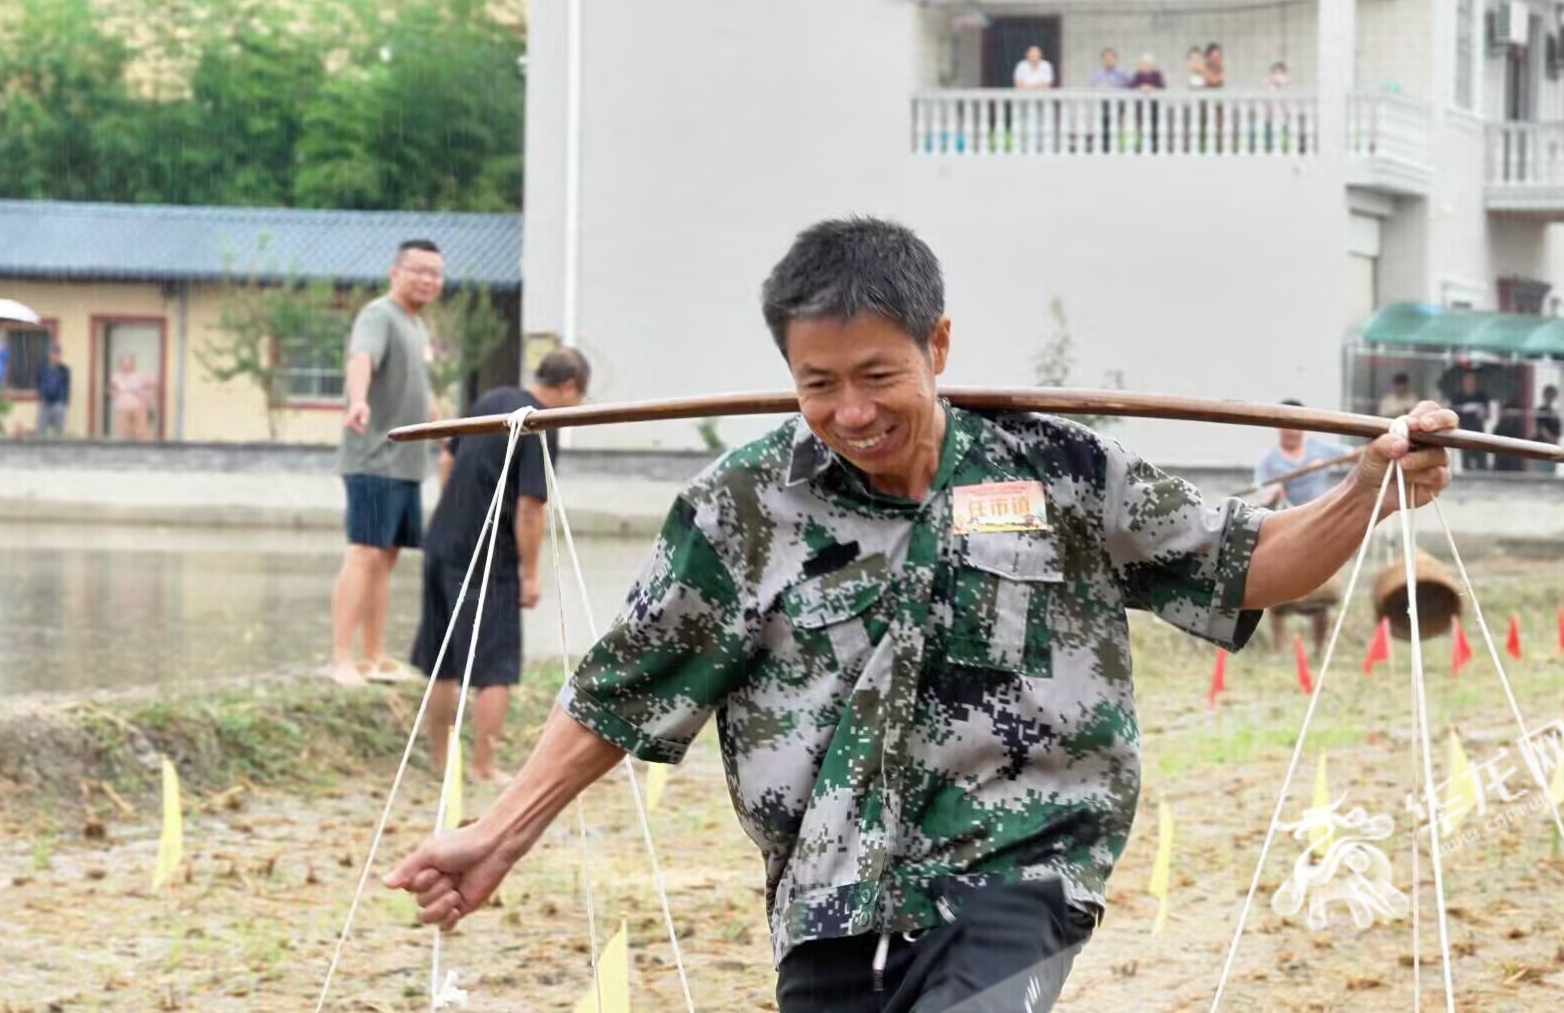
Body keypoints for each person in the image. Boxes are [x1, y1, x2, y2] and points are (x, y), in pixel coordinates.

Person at [384, 217, 1457, 1012]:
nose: (851, 412)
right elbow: (622, 689)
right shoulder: (745, 507)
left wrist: (1368, 489)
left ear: (938, 344)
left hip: (1018, 864)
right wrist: (498, 835)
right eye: (818, 385)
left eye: (878, 375)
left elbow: (1249, 564)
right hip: (829, 892)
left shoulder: (1059, 472)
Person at [414, 348, 590, 783]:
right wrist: (531, 575)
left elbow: (447, 459)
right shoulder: (537, 424)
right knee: (495, 667)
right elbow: (531, 508)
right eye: (580, 398)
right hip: (487, 557)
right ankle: (482, 767)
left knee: (444, 663)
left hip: (441, 541)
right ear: (568, 387)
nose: (577, 409)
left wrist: (456, 513)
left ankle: (441, 762)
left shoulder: (492, 400)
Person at [330, 238, 444, 687]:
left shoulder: (417, 325)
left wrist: (441, 418)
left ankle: (374, 656)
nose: (427, 280)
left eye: (435, 273)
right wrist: (357, 400)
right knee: (364, 551)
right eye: (418, 270)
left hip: (408, 463)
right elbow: (362, 359)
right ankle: (341, 658)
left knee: (388, 556)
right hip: (374, 455)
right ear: (395, 272)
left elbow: (418, 384)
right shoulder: (379, 315)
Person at [1252, 402, 1352, 652]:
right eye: (1286, 426)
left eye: (1297, 425)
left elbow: (1354, 456)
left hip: (1320, 525)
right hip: (1285, 528)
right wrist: (1272, 494)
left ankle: (1320, 648)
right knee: (1276, 589)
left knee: (1321, 591)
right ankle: (1279, 647)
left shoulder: (1319, 449)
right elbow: (1259, 492)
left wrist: (1324, 464)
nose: (1292, 431)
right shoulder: (1270, 460)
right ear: (1279, 428)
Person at [108, 351, 157, 441]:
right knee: (124, 433)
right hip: (122, 408)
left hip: (139, 406)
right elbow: (111, 390)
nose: (127, 365)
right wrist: (117, 396)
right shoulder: (116, 376)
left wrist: (147, 399)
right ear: (120, 364)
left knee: (141, 432)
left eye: (129, 362)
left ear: (133, 363)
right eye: (124, 363)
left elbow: (152, 386)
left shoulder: (141, 375)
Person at [1451, 370, 1490, 471]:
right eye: (1468, 380)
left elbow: (1488, 414)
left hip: (1479, 432)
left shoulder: (1482, 396)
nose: (1470, 383)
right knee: (1466, 461)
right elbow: (1453, 415)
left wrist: (1483, 414)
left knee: (1481, 460)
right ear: (1463, 382)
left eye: (1472, 380)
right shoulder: (1457, 397)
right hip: (1464, 433)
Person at [35, 342, 71, 438]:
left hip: (58, 402)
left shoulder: (64, 370)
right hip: (45, 401)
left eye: (57, 353)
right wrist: (41, 394)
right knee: (41, 430)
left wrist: (63, 402)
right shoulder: (42, 368)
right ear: (49, 354)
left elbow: (66, 387)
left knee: (58, 432)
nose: (55, 355)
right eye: (53, 353)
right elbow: (38, 382)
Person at [1491, 388, 1530, 473]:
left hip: (1514, 465)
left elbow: (1521, 442)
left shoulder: (1519, 426)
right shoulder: (1500, 426)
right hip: (1501, 465)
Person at [1531, 384, 1563, 476]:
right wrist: (1552, 439)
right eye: (1548, 394)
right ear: (1545, 395)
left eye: (1552, 395)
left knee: (1550, 472)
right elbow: (1542, 429)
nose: (1550, 397)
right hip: (1543, 446)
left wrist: (1555, 441)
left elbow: (1558, 431)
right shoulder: (1541, 411)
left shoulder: (1554, 413)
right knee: (1541, 472)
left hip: (1553, 448)